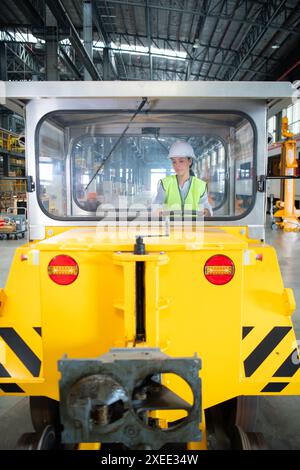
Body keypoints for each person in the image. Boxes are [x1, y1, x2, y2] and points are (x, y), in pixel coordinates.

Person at [153, 140, 213, 216]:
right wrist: (157, 210)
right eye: (174, 162)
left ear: (190, 161)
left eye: (181, 161)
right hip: (170, 226)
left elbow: (205, 205)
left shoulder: (200, 185)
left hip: (193, 226)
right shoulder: (165, 184)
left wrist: (207, 211)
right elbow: (156, 205)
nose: (177, 166)